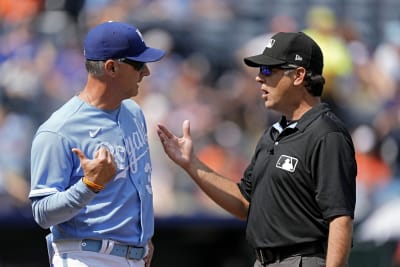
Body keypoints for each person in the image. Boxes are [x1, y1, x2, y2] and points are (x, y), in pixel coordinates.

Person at [157, 32, 356, 267]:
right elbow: (244, 203)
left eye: (269, 70)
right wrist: (191, 164)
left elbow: (340, 219)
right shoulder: (272, 134)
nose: (259, 78)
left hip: (303, 260)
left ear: (299, 75)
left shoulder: (326, 133)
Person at [28, 21, 164, 267]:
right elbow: (42, 213)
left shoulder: (133, 113)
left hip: (134, 257)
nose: (146, 72)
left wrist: (141, 239)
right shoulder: (58, 130)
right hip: (86, 257)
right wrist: (89, 185)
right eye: (138, 64)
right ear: (111, 68)